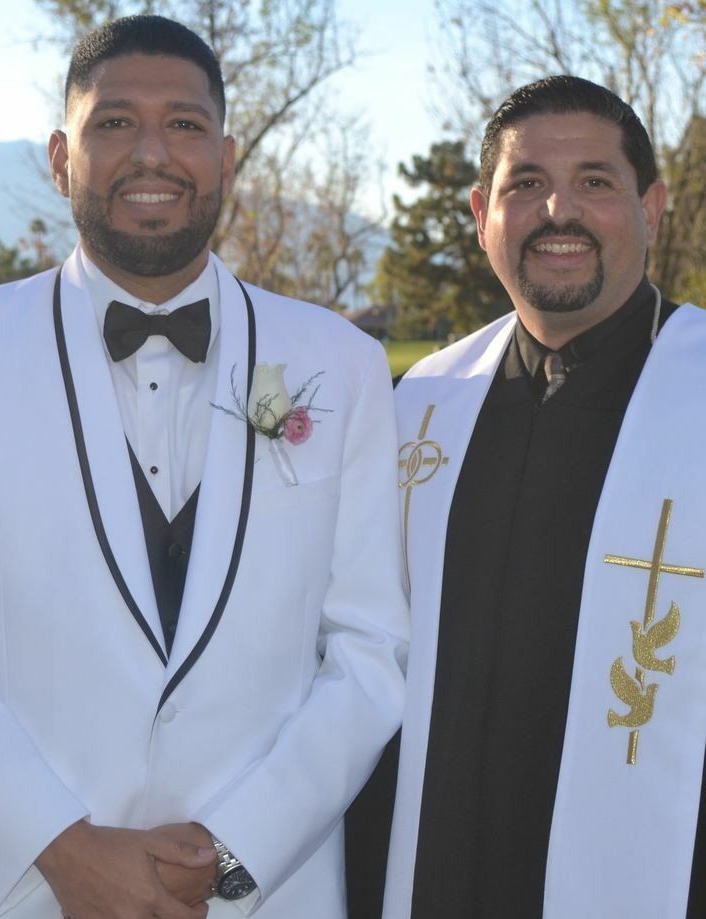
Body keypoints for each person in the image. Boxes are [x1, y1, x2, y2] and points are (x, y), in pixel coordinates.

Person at [0, 15, 409, 918]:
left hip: (255, 893)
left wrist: (237, 849)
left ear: (227, 157)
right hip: (18, 890)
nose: (151, 153)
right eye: (114, 123)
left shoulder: (340, 364)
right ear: (59, 156)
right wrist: (63, 848)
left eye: (186, 125)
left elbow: (368, 648)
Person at [381, 75, 706, 918]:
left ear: (651, 205)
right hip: (435, 856)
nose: (558, 210)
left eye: (595, 182)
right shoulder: (421, 403)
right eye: (525, 184)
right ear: (480, 210)